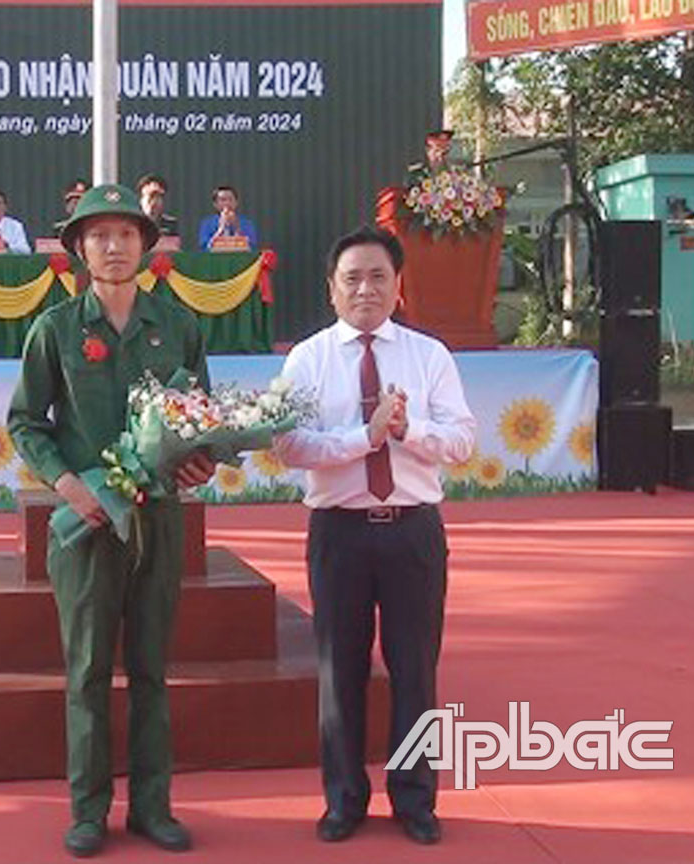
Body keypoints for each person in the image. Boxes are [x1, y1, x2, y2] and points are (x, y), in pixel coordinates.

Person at [8, 184, 216, 858]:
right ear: (78, 249)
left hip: (158, 523)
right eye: (98, 235)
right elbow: (25, 422)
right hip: (88, 524)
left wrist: (198, 463)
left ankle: (154, 807)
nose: (114, 246)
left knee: (153, 667)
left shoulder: (179, 326)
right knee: (90, 670)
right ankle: (88, 811)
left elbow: (201, 422)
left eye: (127, 234)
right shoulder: (55, 331)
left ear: (145, 246)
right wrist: (68, 486)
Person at [272, 225, 475, 848]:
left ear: (397, 285)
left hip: (413, 531)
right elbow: (289, 447)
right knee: (340, 670)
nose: (366, 288)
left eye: (379, 276)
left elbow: (463, 442)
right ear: (332, 290)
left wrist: (409, 430)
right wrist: (365, 437)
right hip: (340, 533)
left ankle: (415, 798)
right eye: (352, 278)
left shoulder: (428, 355)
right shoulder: (307, 359)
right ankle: (344, 798)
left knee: (415, 668)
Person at [196, 185, 259, 250]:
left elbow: (251, 247)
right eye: (223, 200)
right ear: (215, 204)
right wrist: (220, 229)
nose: (227, 203)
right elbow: (205, 248)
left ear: (236, 202)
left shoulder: (246, 223)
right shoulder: (207, 223)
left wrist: (237, 228)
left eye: (230, 199)